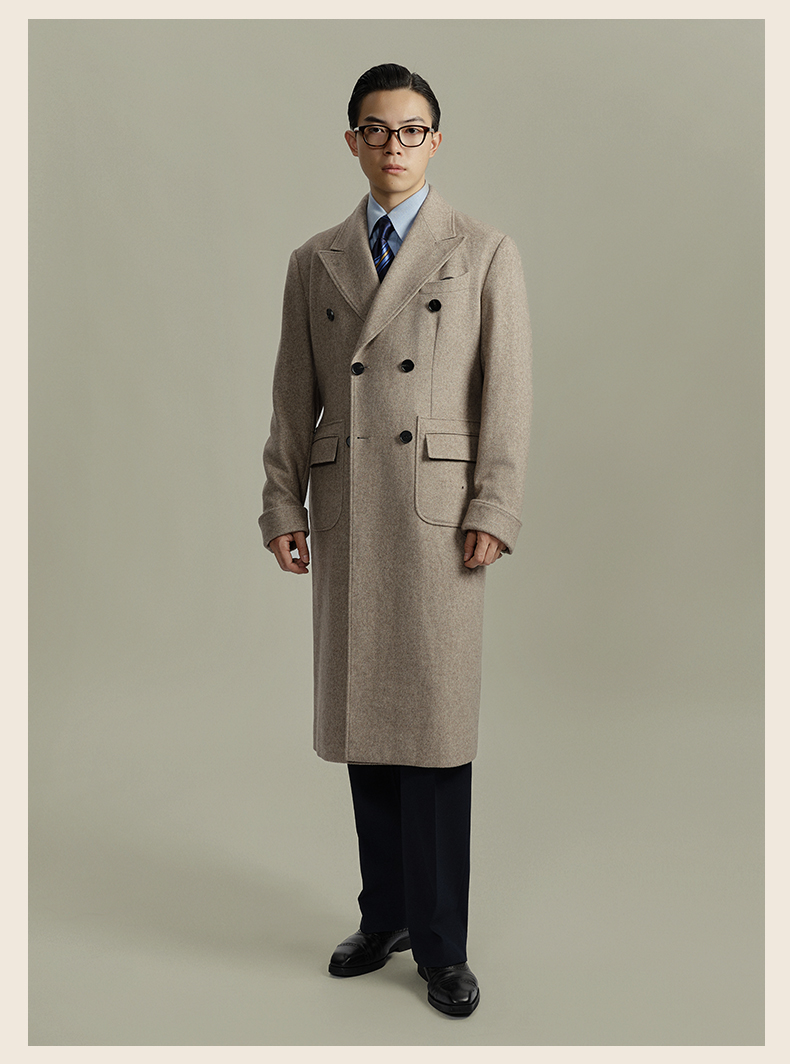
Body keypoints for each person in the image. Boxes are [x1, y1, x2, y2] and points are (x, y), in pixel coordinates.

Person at [259, 63, 532, 1017]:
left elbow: (508, 393)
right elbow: (292, 396)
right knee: (367, 731)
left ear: (435, 140)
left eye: (411, 129)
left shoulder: (482, 250)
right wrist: (282, 505)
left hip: (436, 515)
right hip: (349, 507)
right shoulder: (315, 259)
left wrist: (494, 508)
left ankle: (443, 947)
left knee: (437, 733)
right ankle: (385, 918)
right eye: (376, 130)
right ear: (353, 142)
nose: (394, 146)